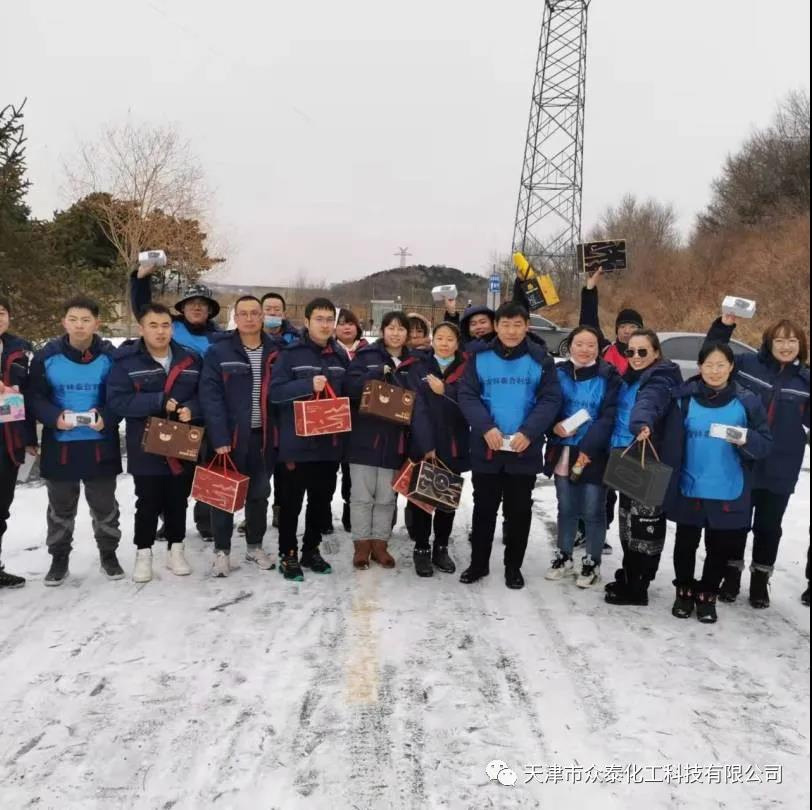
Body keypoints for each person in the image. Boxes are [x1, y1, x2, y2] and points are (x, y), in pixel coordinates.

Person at [662, 342, 772, 624]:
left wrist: (745, 438)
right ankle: (684, 591)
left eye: (721, 365)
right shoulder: (683, 399)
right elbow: (670, 440)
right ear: (700, 367)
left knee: (719, 547)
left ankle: (707, 595)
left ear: (731, 367)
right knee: (685, 544)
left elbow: (765, 443)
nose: (714, 371)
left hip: (728, 486)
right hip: (690, 484)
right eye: (709, 365)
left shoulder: (747, 401)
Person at [707, 313, 810, 608]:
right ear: (769, 342)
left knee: (769, 526)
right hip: (743, 458)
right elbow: (714, 354)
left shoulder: (806, 381)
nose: (786, 346)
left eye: (792, 341)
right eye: (780, 340)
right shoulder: (747, 365)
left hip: (781, 465)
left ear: (801, 345)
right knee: (736, 522)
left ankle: (760, 581)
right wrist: (724, 326)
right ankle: (731, 576)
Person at [457, 301, 562, 589]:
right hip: (487, 447)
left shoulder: (541, 360)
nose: (512, 331)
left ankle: (513, 567)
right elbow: (467, 395)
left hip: (522, 448)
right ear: (496, 326)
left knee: (518, 511)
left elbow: (550, 399)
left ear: (527, 326)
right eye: (506, 324)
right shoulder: (479, 358)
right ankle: (478, 563)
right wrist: (486, 427)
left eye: (518, 325)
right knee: (484, 509)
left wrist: (529, 432)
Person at [29, 296, 123, 585]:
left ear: (97, 323)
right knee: (60, 508)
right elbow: (34, 397)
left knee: (105, 506)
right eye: (73, 319)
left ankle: (109, 554)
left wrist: (106, 416)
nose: (79, 325)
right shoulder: (47, 356)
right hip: (61, 444)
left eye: (85, 320)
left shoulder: (110, 357)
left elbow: (121, 396)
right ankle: (59, 558)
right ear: (64, 322)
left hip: (100, 443)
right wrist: (53, 416)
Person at [106, 303, 202, 583]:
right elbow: (118, 401)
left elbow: (205, 393)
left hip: (182, 441)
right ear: (141, 329)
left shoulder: (191, 359)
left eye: (165, 325)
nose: (160, 332)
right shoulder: (127, 362)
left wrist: (192, 409)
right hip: (145, 443)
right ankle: (143, 553)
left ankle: (176, 549)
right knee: (147, 501)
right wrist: (158, 400)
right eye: (153, 325)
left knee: (178, 500)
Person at [131, 266, 221, 541]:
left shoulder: (219, 337)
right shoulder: (171, 327)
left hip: (205, 410)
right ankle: (168, 520)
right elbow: (144, 309)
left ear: (210, 310)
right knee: (169, 470)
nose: (197, 308)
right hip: (172, 411)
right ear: (182, 307)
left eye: (202, 304)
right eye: (192, 303)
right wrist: (140, 278)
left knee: (206, 469)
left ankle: (205, 521)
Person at [270, 298, 350, 581]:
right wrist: (307, 385)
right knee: (291, 503)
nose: (325, 325)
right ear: (306, 321)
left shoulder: (339, 356)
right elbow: (275, 393)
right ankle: (288, 553)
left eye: (329, 319)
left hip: (329, 444)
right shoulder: (290, 354)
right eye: (319, 319)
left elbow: (347, 393)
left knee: (320, 501)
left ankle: (311, 550)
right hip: (297, 444)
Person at [602, 329, 683, 606]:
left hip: (650, 459)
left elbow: (649, 402)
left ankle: (639, 586)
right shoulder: (631, 376)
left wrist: (641, 422)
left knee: (643, 526)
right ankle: (630, 574)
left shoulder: (660, 378)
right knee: (627, 521)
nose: (635, 357)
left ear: (656, 352)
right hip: (630, 458)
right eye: (630, 351)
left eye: (643, 351)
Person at [199, 296, 278, 577]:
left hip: (263, 438)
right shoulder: (219, 352)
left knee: (259, 494)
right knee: (223, 495)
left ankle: (254, 546)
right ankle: (222, 551)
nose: (249, 318)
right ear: (235, 317)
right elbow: (210, 397)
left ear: (262, 317)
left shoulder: (276, 351)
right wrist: (219, 437)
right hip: (230, 439)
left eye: (255, 313)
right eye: (243, 313)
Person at [344, 311, 422, 570]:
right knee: (361, 497)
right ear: (382, 330)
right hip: (364, 438)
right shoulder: (366, 357)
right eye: (391, 328)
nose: (396, 333)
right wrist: (375, 374)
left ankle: (380, 543)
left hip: (396, 441)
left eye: (401, 329)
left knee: (387, 498)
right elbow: (349, 388)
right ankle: (361, 545)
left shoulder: (415, 362)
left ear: (407, 334)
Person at [543, 326, 620, 588]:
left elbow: (609, 415)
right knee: (566, 507)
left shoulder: (609, 376)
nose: (585, 350)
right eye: (579, 344)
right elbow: (546, 405)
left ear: (599, 348)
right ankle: (563, 556)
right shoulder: (557, 373)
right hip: (564, 449)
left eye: (591, 345)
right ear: (570, 346)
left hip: (594, 452)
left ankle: (592, 561)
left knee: (593, 510)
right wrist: (553, 427)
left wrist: (589, 446)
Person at [409, 322, 470, 577]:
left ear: (457, 343)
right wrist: (427, 445)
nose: (444, 343)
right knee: (421, 499)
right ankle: (422, 548)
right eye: (440, 338)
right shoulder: (419, 367)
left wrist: (446, 390)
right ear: (433, 341)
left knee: (447, 499)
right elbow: (416, 408)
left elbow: (470, 402)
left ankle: (441, 547)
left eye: (450, 339)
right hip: (425, 443)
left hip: (454, 443)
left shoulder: (468, 368)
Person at [0, 297, 37, 588]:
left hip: (8, 440)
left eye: (1, 312)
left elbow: (28, 395)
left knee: (1, 507)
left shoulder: (20, 348)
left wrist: (30, 438)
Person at [333, 309, 368, 531]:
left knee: (352, 469)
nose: (346, 327)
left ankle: (350, 512)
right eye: (341, 323)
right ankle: (322, 514)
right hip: (332, 417)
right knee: (327, 470)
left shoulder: (367, 351)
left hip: (359, 419)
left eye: (350, 323)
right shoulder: (329, 350)